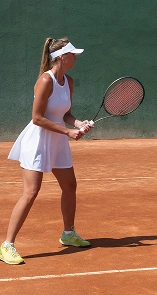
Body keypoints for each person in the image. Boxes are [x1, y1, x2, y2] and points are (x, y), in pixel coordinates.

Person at [0, 37, 93, 265]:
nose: (76, 57)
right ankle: (7, 245)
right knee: (31, 192)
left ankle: (68, 233)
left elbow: (65, 115)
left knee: (70, 185)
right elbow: (37, 118)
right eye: (73, 54)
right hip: (38, 140)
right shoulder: (45, 80)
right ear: (62, 57)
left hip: (58, 140)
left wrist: (78, 123)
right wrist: (68, 133)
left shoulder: (68, 81)